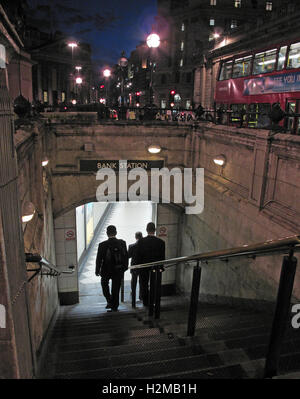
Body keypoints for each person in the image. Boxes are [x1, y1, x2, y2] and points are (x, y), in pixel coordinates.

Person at [95, 225, 128, 312]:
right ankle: (115, 306)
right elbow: (126, 256)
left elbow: (99, 259)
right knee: (116, 288)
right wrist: (124, 268)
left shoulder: (102, 245)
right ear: (116, 233)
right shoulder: (122, 243)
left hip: (106, 270)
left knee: (104, 285)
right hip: (118, 269)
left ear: (107, 233)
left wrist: (97, 270)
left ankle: (109, 300)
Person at [136, 222, 165, 307]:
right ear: (155, 230)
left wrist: (138, 267)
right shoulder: (161, 242)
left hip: (143, 267)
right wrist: (161, 267)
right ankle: (154, 301)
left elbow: (138, 256)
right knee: (155, 284)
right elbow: (162, 257)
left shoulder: (141, 241)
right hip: (156, 267)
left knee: (144, 285)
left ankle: (146, 302)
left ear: (146, 230)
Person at [128, 231, 143, 308]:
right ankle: (141, 296)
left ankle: (133, 296)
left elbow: (128, 256)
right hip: (143, 267)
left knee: (133, 281)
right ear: (142, 236)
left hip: (134, 266)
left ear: (136, 237)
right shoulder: (145, 246)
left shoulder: (132, 246)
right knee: (142, 281)